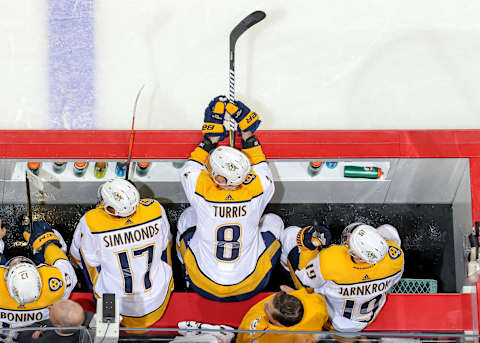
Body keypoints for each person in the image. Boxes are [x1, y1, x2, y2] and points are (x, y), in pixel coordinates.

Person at [177, 96, 284, 301]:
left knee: (187, 218)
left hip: (204, 283)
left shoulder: (202, 190)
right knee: (274, 222)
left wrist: (210, 140)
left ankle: (187, 274)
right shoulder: (258, 189)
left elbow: (189, 169)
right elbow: (262, 168)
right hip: (251, 282)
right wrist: (248, 134)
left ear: (217, 176)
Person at [69, 178, 173, 328]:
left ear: (111, 208)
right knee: (163, 251)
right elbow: (166, 243)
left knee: (88, 260)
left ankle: (107, 324)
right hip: (157, 298)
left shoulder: (92, 221)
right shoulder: (155, 209)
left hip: (118, 306)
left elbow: (79, 258)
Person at [281, 222, 404, 332]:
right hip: (366, 318)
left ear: (359, 258)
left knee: (290, 235)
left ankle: (284, 263)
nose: (350, 235)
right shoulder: (395, 258)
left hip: (331, 320)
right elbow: (394, 280)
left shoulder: (331, 260)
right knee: (388, 230)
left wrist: (307, 245)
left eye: (352, 242)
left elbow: (306, 279)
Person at [0, 219, 77, 340]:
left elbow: (66, 269)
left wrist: (46, 243)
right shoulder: (54, 287)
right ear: (40, 281)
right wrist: (45, 241)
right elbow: (64, 264)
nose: (17, 261)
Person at [176, 285, 328, 343]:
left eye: (268, 309)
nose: (265, 304)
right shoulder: (314, 304)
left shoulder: (267, 338)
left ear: (278, 324)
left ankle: (221, 334)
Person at [17, 299, 95, 343]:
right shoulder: (89, 318)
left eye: (52, 311)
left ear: (58, 326)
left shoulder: (41, 341)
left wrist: (36, 333)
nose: (49, 307)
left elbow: (22, 337)